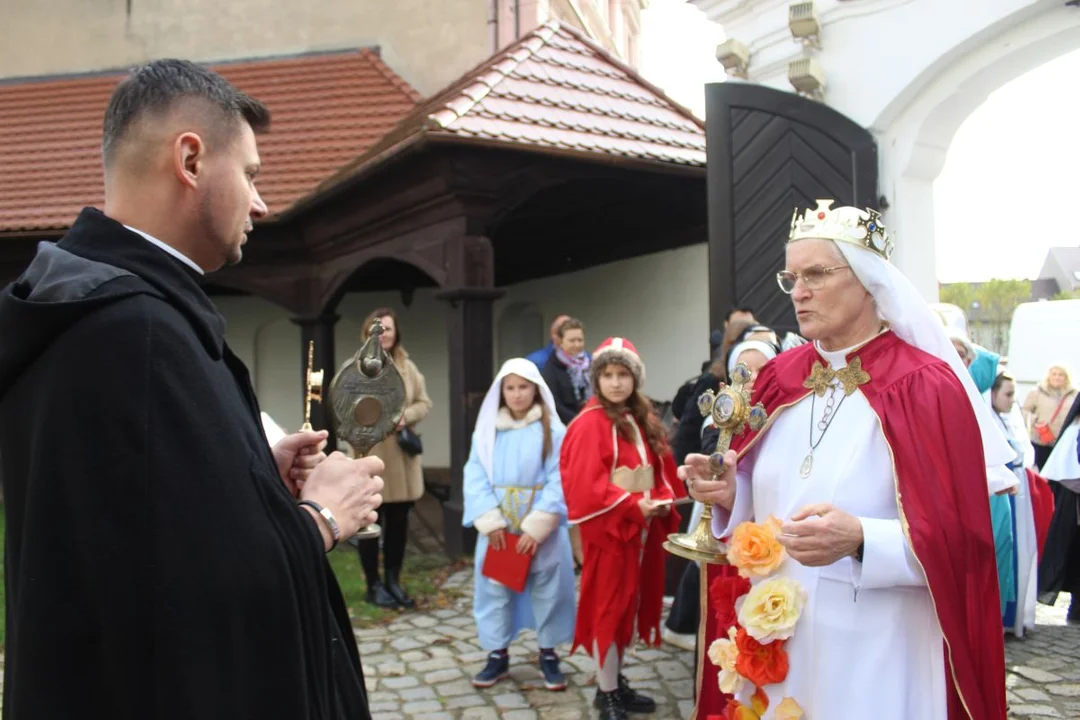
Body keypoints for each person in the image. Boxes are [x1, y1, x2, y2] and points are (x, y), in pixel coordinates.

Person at [0, 59, 384, 719]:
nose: (261, 202)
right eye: (253, 174)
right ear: (191, 160)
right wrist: (322, 516)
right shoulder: (135, 334)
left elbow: (135, 535)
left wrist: (251, 476)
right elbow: (200, 590)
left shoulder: (99, 316)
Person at [682, 201, 1015, 719]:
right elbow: (760, 490)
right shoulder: (778, 377)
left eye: (816, 273)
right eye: (791, 277)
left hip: (877, 643)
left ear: (867, 281)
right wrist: (729, 494)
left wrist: (862, 539)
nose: (799, 291)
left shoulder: (924, 387)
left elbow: (962, 540)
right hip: (778, 631)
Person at [560, 337, 685, 720]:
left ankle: (614, 680)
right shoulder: (588, 424)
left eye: (623, 375)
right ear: (597, 380)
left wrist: (661, 496)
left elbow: (658, 467)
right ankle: (607, 690)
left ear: (635, 379)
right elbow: (585, 483)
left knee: (629, 605)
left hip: (641, 532)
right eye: (608, 375)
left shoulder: (640, 420)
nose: (616, 383)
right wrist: (633, 505)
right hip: (611, 534)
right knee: (609, 607)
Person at [462, 358, 576, 690]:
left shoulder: (553, 430)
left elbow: (561, 478)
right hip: (499, 530)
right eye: (510, 388)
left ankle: (548, 652)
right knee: (496, 587)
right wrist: (491, 521)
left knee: (549, 588)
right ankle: (497, 654)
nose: (516, 394)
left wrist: (537, 526)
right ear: (501, 392)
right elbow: (475, 474)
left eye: (523, 387)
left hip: (541, 529)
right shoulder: (487, 431)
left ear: (536, 390)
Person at [663, 339, 778, 648]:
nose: (752, 378)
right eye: (744, 370)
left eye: (762, 371)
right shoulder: (718, 419)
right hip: (728, 533)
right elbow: (714, 452)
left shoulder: (781, 418)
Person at [354, 307, 432, 609]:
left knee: (399, 525)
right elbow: (349, 405)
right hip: (372, 453)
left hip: (402, 458)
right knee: (369, 525)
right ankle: (373, 585)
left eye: (388, 328)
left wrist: (405, 416)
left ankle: (393, 581)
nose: (384, 333)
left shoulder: (407, 366)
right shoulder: (358, 366)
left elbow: (424, 402)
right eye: (378, 328)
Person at [991, 372, 1040, 636]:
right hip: (1002, 497)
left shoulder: (1003, 420)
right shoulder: (990, 420)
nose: (1011, 401)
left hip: (1015, 494)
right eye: (1007, 394)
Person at [1022, 365, 1077, 470]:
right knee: (1042, 472)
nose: (1057, 377)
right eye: (1054, 374)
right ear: (1048, 376)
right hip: (1041, 441)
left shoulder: (1074, 395)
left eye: (1061, 375)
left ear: (1066, 377)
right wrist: (1036, 421)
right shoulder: (1037, 392)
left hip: (1064, 442)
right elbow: (1024, 411)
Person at [541, 317, 591, 425]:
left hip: (590, 422)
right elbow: (553, 403)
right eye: (572, 340)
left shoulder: (589, 364)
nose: (577, 345)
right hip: (566, 426)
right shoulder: (551, 367)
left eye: (580, 340)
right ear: (561, 342)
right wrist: (579, 421)